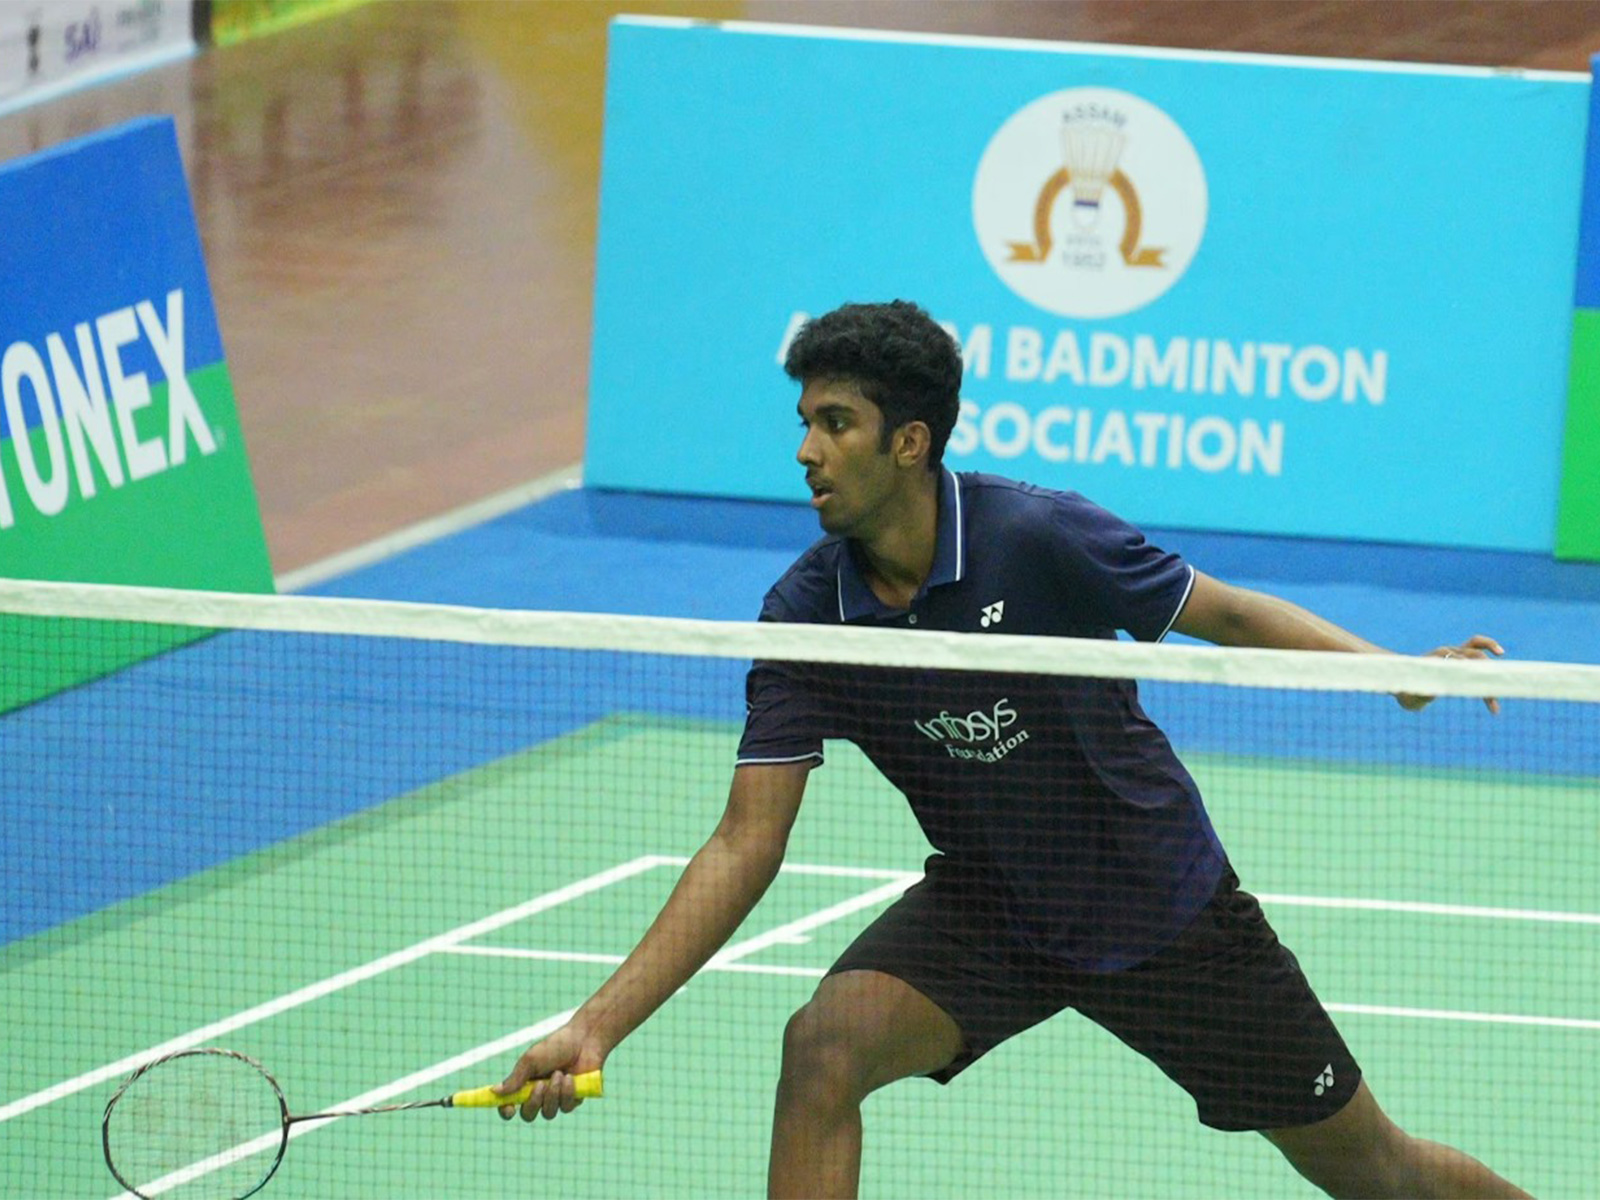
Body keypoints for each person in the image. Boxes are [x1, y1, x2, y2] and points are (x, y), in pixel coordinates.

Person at [496, 300, 1524, 1199]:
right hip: (991, 910)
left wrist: (1391, 667)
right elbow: (743, 843)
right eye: (804, 422)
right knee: (823, 1048)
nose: (804, 449)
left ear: (908, 442)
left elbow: (1230, 614)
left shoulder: (1035, 537)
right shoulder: (809, 615)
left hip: (1160, 913)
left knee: (1374, 1173)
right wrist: (599, 1024)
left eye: (834, 422)